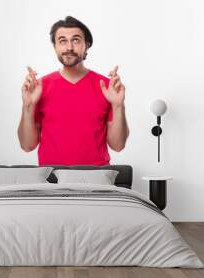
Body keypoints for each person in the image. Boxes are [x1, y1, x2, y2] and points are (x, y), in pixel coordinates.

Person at [17, 16, 129, 166]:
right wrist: (28, 105)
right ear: (55, 46)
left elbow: (118, 145)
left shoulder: (107, 87)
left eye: (75, 40)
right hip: (51, 177)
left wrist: (118, 105)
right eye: (62, 41)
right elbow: (27, 145)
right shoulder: (39, 87)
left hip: (96, 177)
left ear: (86, 45)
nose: (69, 47)